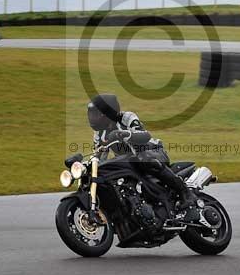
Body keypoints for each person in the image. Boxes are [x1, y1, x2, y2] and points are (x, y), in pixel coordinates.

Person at [84, 93, 198, 221]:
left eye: (96, 114)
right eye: (91, 113)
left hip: (153, 153)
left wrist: (124, 134)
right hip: (130, 163)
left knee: (144, 159)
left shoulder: (126, 117)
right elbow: (99, 156)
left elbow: (145, 136)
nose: (92, 117)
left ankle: (185, 192)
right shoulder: (99, 132)